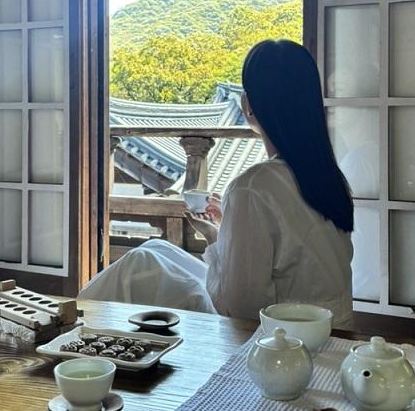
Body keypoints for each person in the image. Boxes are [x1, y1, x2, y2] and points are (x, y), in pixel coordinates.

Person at [80, 40, 355, 327]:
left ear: (247, 105)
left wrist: (214, 239)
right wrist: (225, 232)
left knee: (138, 265)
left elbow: (240, 309)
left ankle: (76, 324)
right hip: (326, 326)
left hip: (277, 335)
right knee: (156, 250)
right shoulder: (328, 177)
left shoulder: (253, 186)